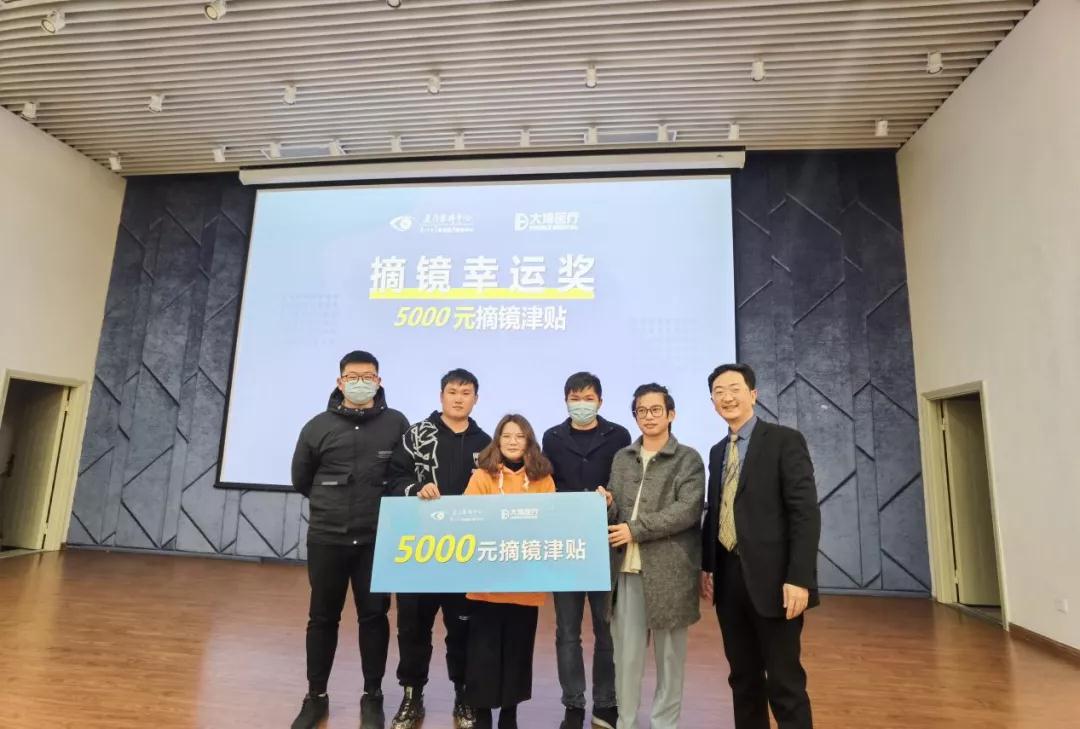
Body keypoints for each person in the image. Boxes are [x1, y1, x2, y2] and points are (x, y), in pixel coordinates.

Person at [289, 350, 410, 729]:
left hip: (375, 538)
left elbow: (404, 474)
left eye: (368, 376)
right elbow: (301, 479)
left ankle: (372, 696)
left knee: (374, 617)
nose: (360, 383)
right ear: (340, 382)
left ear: (379, 381)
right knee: (322, 618)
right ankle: (316, 697)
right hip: (328, 537)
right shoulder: (317, 426)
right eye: (353, 377)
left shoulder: (396, 423)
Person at [700, 364, 821, 729]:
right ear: (712, 401)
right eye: (719, 392)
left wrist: (799, 578)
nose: (727, 397)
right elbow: (716, 510)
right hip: (729, 579)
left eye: (734, 389)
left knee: (785, 683)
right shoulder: (717, 451)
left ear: (753, 394)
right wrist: (708, 567)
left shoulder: (784, 441)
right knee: (743, 680)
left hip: (776, 581)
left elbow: (804, 513)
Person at [387, 368, 492, 729]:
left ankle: (464, 697)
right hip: (418, 551)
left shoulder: (486, 443)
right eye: (452, 392)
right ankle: (411, 696)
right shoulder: (417, 435)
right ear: (441, 396)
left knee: (463, 631)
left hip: (465, 555)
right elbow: (393, 478)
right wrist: (416, 488)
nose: (458, 398)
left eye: (466, 392)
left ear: (476, 398)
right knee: (413, 628)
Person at [597, 384, 705, 729]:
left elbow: (687, 510)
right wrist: (608, 505)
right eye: (641, 411)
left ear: (671, 414)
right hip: (626, 571)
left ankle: (664, 724)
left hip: (670, 573)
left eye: (656, 409)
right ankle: (626, 722)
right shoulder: (622, 458)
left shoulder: (687, 459)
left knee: (670, 659)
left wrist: (636, 529)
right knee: (626, 658)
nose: (648, 416)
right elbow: (617, 516)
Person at [541, 372, 630, 729]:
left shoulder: (619, 435)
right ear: (566, 401)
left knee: (607, 627)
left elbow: (625, 484)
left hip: (605, 541)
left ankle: (606, 701)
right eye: (575, 398)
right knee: (567, 631)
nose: (582, 404)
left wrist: (610, 497)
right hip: (565, 543)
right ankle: (573, 703)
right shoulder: (552, 437)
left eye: (588, 398)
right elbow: (546, 484)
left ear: (600, 401)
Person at [462, 414, 556, 729]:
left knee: (518, 652)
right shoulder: (481, 476)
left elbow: (549, 524)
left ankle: (509, 715)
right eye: (506, 436)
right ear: (497, 441)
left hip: (525, 584)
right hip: (485, 585)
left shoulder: (543, 479)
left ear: (529, 442)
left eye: (520, 436)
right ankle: (482, 715)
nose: (513, 441)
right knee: (483, 653)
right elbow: (468, 519)